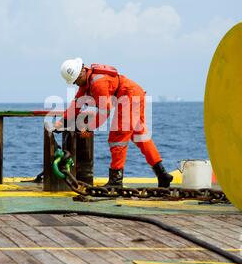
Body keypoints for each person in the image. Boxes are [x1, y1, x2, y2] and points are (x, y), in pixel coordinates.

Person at [56, 58, 173, 188]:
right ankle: (162, 174)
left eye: (77, 81)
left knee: (118, 137)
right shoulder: (87, 81)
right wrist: (62, 122)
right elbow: (77, 103)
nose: (77, 84)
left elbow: (103, 112)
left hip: (129, 96)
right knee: (139, 136)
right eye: (74, 83)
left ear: (82, 71)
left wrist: (87, 129)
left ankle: (116, 181)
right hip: (133, 94)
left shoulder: (98, 83)